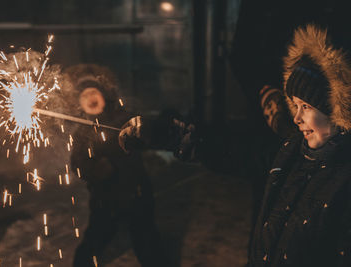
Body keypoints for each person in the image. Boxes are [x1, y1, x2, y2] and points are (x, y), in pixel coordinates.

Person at [119, 24, 351, 266]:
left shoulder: (344, 179)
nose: (296, 118)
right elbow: (232, 152)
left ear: (337, 111)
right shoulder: (291, 151)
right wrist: (168, 135)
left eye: (307, 106)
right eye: (295, 105)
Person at [66, 64, 168, 267]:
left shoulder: (124, 120)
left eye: (94, 93)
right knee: (91, 246)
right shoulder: (81, 133)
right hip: (104, 200)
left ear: (105, 96)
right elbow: (77, 164)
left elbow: (146, 139)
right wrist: (93, 169)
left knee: (148, 245)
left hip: (136, 196)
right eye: (84, 96)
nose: (90, 99)